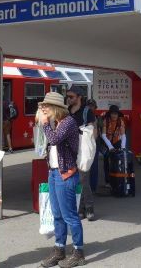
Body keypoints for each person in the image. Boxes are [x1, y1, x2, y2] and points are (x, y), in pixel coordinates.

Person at [38, 92, 85, 268]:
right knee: (57, 215)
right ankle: (59, 249)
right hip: (54, 173)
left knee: (70, 216)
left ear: (56, 108)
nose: (43, 110)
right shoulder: (57, 123)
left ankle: (78, 252)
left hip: (65, 174)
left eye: (46, 106)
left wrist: (44, 124)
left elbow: (55, 139)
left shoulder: (68, 122)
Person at [67, 86, 96, 222]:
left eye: (71, 96)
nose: (69, 99)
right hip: (71, 151)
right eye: (68, 96)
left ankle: (88, 208)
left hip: (83, 151)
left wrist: (89, 148)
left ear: (79, 97)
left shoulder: (87, 112)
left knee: (83, 179)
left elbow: (93, 132)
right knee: (74, 181)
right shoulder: (67, 112)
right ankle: (80, 208)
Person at [101, 105, 127, 187]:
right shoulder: (106, 121)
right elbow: (103, 135)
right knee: (106, 163)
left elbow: (123, 135)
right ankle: (108, 181)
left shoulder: (120, 122)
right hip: (107, 143)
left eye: (116, 114)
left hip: (117, 142)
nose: (114, 115)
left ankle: (117, 180)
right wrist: (110, 146)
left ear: (118, 114)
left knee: (118, 162)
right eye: (112, 113)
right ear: (110, 114)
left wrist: (123, 147)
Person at [86, 99, 101, 195]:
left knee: (94, 166)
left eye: (92, 106)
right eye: (89, 106)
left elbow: (100, 132)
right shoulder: (84, 116)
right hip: (85, 143)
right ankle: (85, 187)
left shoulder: (98, 118)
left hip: (95, 143)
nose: (91, 108)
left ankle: (93, 187)